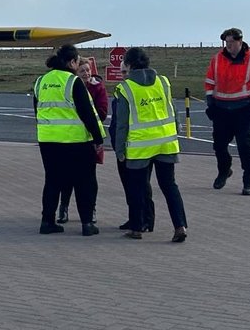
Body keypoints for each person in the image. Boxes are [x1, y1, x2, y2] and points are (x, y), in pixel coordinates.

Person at [110, 47, 188, 243]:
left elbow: (122, 124)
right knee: (169, 186)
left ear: (128, 65)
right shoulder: (163, 82)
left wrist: (119, 150)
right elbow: (173, 110)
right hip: (166, 142)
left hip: (140, 146)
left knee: (136, 187)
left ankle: (136, 228)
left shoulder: (125, 88)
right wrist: (176, 130)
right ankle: (180, 226)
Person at [33, 44, 105, 236]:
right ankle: (87, 224)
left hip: (48, 140)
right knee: (84, 182)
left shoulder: (41, 81)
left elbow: (37, 110)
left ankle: (47, 221)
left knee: (52, 181)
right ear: (72, 62)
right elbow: (87, 113)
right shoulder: (73, 82)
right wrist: (98, 138)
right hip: (76, 141)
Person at [205, 27, 250, 196]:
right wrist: (210, 101)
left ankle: (249, 180)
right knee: (219, 146)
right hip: (221, 109)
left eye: (231, 42)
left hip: (243, 110)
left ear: (240, 41)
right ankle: (224, 170)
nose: (228, 45)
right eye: (226, 42)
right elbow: (210, 81)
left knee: (245, 146)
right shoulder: (217, 59)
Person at [57, 58, 110, 224]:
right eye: (82, 71)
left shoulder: (98, 88)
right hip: (70, 137)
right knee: (67, 176)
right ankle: (63, 207)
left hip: (89, 138)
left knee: (89, 177)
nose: (86, 73)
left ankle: (91, 209)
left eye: (88, 70)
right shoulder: (69, 86)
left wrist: (88, 115)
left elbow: (102, 112)